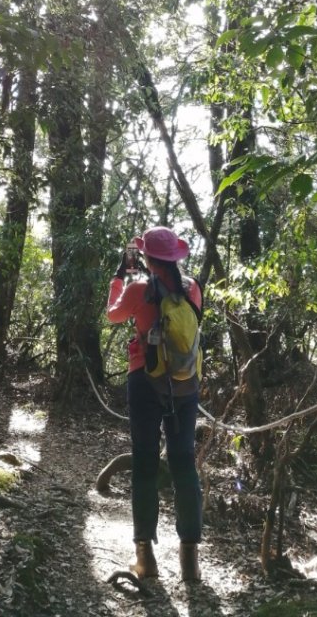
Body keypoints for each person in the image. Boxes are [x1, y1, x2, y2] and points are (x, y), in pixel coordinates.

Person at [106, 225, 203, 583]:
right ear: (175, 257)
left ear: (146, 258)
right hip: (184, 385)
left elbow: (113, 314)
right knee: (184, 463)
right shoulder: (192, 288)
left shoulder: (139, 289)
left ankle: (145, 559)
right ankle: (190, 561)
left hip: (145, 381)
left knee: (145, 463)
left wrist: (119, 279)